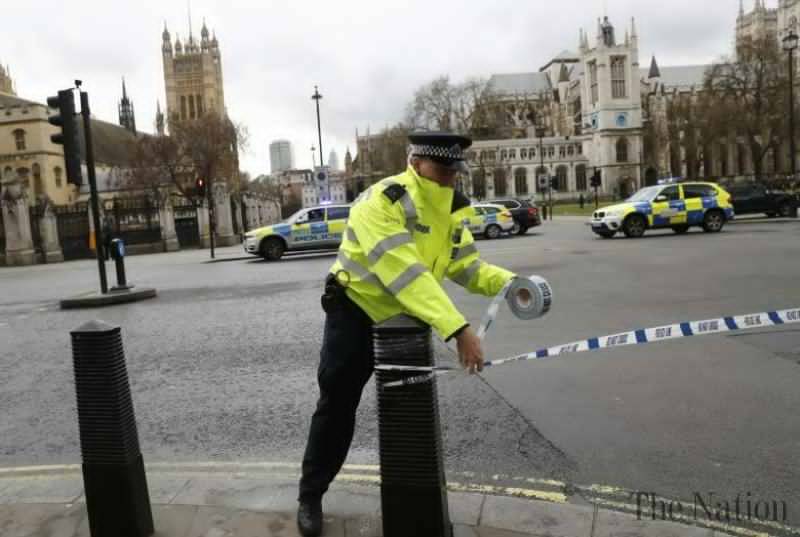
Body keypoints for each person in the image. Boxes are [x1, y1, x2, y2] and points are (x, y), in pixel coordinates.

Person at [296, 132, 519, 537]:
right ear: (415, 163)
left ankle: (410, 502)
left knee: (406, 415)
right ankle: (310, 495)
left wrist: (512, 284)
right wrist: (459, 329)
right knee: (337, 406)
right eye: (441, 170)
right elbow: (406, 273)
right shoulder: (381, 200)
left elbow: (469, 268)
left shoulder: (450, 211)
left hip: (406, 323)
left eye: (455, 172)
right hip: (356, 312)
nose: (449, 180)